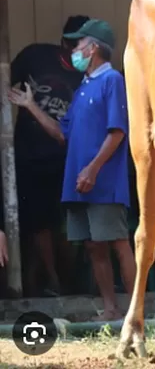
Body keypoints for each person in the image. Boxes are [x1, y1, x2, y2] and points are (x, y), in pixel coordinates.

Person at [8, 19, 135, 321]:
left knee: (118, 243)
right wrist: (30, 105)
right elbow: (61, 133)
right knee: (94, 247)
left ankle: (135, 311)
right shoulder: (83, 88)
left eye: (78, 45)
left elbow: (117, 133)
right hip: (79, 183)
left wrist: (92, 170)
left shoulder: (112, 80)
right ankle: (110, 309)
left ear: (92, 48)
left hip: (102, 182)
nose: (73, 50)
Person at [10, 15, 89, 296]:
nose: (79, 52)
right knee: (39, 223)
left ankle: (67, 281)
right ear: (63, 43)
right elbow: (5, 78)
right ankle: (53, 279)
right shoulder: (35, 56)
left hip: (67, 157)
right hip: (30, 155)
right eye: (74, 45)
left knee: (67, 223)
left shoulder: (88, 75)